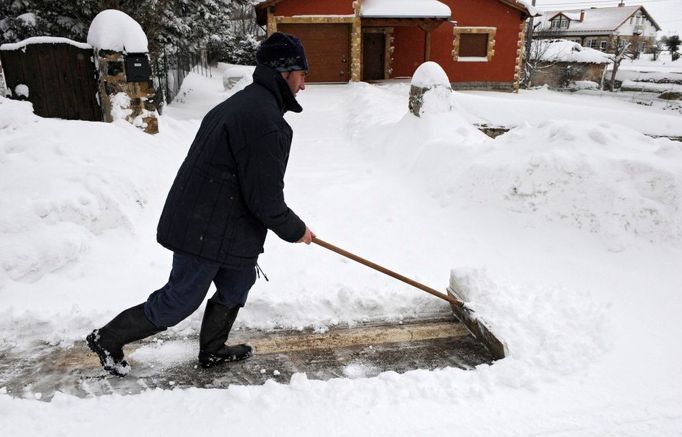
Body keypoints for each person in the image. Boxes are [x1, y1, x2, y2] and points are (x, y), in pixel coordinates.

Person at [86, 32, 315, 377]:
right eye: (303, 75)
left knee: (237, 283)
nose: (304, 85)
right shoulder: (263, 120)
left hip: (227, 222)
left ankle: (213, 350)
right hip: (205, 226)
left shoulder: (250, 105)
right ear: (285, 73)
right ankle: (107, 338)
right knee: (180, 300)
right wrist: (296, 230)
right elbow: (265, 199)